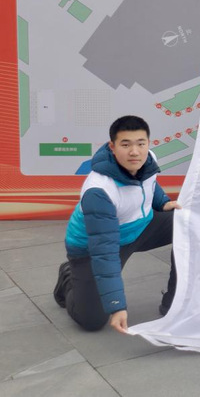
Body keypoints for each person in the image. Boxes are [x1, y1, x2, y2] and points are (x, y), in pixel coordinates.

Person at [53, 116, 181, 333]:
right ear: (112, 147)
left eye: (141, 143)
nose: (135, 152)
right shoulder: (99, 191)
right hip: (94, 247)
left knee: (189, 224)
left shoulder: (148, 159)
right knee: (91, 321)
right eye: (126, 144)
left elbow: (149, 184)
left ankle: (175, 300)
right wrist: (116, 306)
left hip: (140, 228)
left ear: (148, 143)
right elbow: (105, 251)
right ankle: (68, 277)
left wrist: (163, 202)